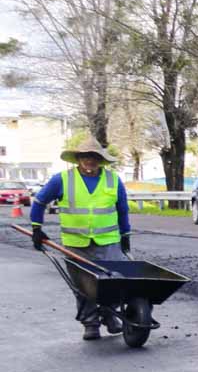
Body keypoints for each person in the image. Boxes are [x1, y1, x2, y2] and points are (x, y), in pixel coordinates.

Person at [28, 137, 132, 341]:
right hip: (76, 244)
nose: (89, 160)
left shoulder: (113, 179)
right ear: (78, 158)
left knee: (113, 282)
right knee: (83, 287)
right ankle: (90, 323)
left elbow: (122, 210)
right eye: (85, 156)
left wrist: (125, 234)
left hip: (108, 241)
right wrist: (36, 228)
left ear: (100, 159)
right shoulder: (62, 179)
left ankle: (111, 317)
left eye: (93, 156)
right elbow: (39, 202)